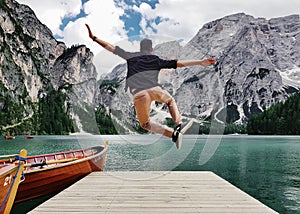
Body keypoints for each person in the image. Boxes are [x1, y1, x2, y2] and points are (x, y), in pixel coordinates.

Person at [85, 24, 216, 150]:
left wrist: (94, 38)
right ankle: (178, 125)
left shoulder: (130, 56)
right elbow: (179, 64)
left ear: (141, 49)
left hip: (139, 95)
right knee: (170, 101)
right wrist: (200, 62)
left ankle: (172, 135)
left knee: (145, 124)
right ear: (151, 49)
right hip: (155, 90)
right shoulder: (156, 59)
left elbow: (111, 47)